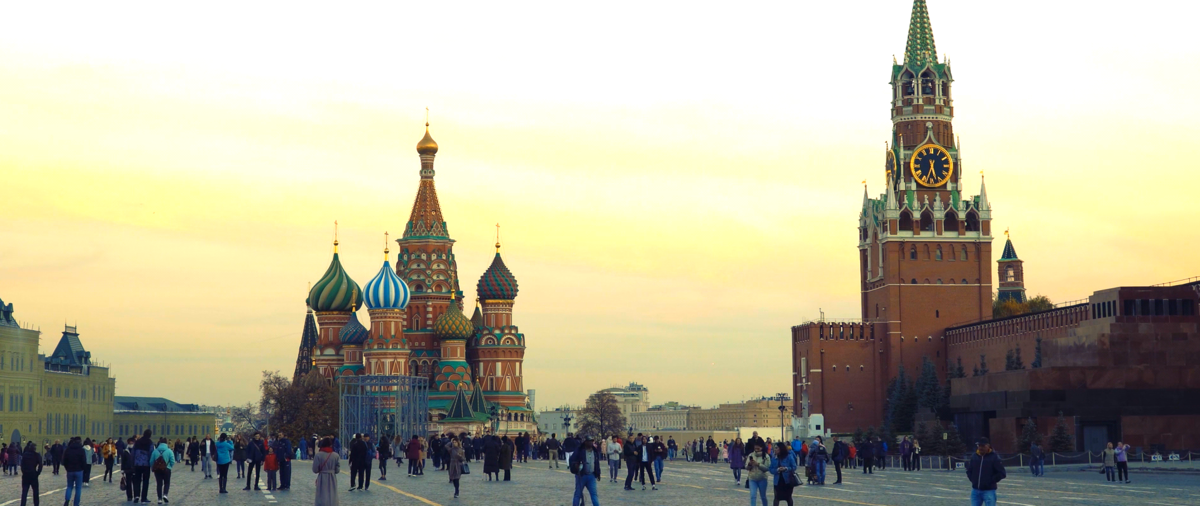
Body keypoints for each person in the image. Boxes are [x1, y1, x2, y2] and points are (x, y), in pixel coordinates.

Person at [966, 437, 1006, 506]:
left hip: (989, 491)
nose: (980, 448)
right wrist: (973, 479)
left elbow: (1002, 473)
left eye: (983, 446)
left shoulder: (994, 457)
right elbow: (969, 470)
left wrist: (991, 481)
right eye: (979, 446)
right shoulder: (974, 456)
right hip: (975, 490)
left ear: (988, 446)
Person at [570, 437, 602, 506]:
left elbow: (596, 463)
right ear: (585, 442)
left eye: (591, 441)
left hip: (591, 476)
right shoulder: (579, 450)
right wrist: (575, 466)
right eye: (589, 441)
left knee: (594, 494)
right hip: (581, 475)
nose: (590, 443)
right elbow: (572, 460)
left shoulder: (594, 451)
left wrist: (598, 473)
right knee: (578, 494)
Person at [312, 437, 340, 506]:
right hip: (332, 476)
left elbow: (315, 469)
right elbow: (337, 470)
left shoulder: (318, 455)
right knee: (332, 493)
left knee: (322, 494)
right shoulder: (336, 455)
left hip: (322, 477)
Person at [150, 437, 176, 504]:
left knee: (159, 484)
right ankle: (165, 495)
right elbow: (173, 461)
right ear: (166, 443)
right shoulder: (169, 451)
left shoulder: (155, 451)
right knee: (167, 483)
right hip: (167, 469)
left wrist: (153, 467)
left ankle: (159, 499)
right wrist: (169, 466)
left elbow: (151, 461)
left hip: (157, 470)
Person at [132, 430, 155, 504]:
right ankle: (143, 498)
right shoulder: (150, 442)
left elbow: (133, 452)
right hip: (146, 464)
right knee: (145, 481)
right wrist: (151, 464)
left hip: (137, 464)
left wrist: (133, 461)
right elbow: (151, 453)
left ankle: (136, 496)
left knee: (137, 480)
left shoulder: (138, 441)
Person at [770, 442, 797, 506]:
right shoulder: (774, 458)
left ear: (781, 448)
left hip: (787, 480)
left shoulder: (789, 456)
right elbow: (771, 469)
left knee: (788, 497)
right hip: (778, 481)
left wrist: (786, 468)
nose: (775, 450)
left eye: (776, 448)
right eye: (775, 448)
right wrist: (777, 470)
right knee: (776, 497)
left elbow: (794, 467)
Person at [62, 437, 87, 506]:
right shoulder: (81, 450)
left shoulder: (68, 449)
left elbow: (64, 461)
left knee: (69, 486)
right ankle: (76, 504)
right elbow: (84, 461)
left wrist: (67, 468)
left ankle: (67, 500)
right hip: (79, 470)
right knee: (78, 488)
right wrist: (83, 469)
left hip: (70, 470)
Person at [745, 442, 770, 506]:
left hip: (762, 478)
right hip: (752, 478)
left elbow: (767, 468)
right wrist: (749, 464)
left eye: (758, 446)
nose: (756, 448)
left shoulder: (766, 456)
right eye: (755, 446)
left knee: (763, 496)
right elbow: (746, 467)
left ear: (762, 447)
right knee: (753, 496)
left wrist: (758, 464)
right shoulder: (751, 455)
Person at [21, 442, 43, 506]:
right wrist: (37, 473)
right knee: (35, 492)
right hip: (33, 475)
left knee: (24, 492)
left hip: (26, 475)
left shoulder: (25, 455)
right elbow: (40, 465)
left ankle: (23, 504)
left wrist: (24, 472)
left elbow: (22, 465)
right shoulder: (37, 455)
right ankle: (36, 504)